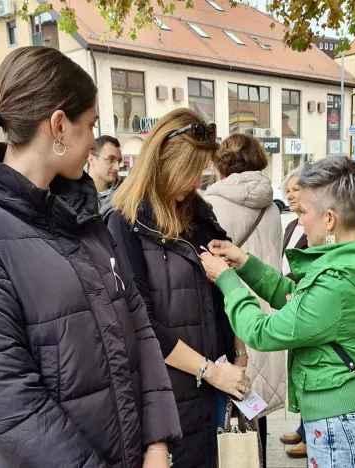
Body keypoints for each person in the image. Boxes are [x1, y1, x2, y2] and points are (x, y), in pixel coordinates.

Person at [0, 46, 181, 468]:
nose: (94, 140)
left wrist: (158, 443)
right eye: (90, 125)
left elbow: (137, 324)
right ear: (59, 125)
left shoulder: (80, 213)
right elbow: (6, 398)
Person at [200, 156, 355, 468]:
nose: (298, 221)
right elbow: (295, 298)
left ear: (328, 218)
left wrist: (227, 281)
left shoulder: (336, 283)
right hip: (349, 419)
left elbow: (263, 332)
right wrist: (244, 262)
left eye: (302, 212)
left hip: (343, 426)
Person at [103, 108, 251, 468]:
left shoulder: (199, 213)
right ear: (163, 165)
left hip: (221, 378)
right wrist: (210, 371)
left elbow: (224, 291)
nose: (195, 183)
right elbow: (142, 324)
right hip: (173, 390)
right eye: (189, 172)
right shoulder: (124, 224)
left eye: (200, 172)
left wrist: (240, 351)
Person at [204, 133, 284, 468]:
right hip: (265, 316)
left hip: (231, 316)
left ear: (221, 164)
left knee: (227, 413)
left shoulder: (209, 205)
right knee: (254, 409)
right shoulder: (273, 207)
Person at [279, 167, 309, 458]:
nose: (289, 194)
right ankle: (303, 427)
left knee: (308, 370)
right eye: (286, 190)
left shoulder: (318, 225)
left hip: (304, 305)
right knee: (298, 367)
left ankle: (309, 433)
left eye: (295, 189)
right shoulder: (291, 225)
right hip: (290, 301)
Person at [87, 135, 123, 206]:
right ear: (91, 160)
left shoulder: (126, 194)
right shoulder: (73, 193)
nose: (117, 167)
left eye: (119, 161)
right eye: (111, 159)